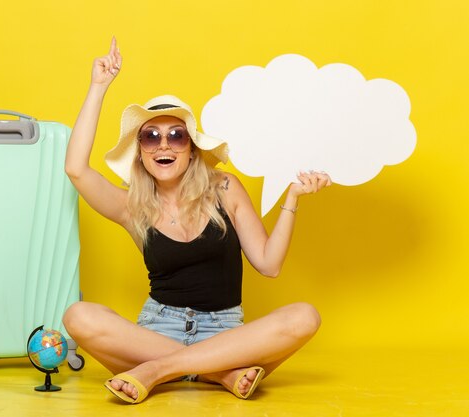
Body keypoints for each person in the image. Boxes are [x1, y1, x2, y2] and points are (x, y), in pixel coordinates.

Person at [63, 38, 332, 404]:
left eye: (176, 136)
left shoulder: (225, 188)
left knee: (304, 317)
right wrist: (98, 87)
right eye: (150, 136)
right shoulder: (132, 207)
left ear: (192, 151)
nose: (163, 145)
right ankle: (220, 373)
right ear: (140, 154)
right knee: (79, 316)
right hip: (156, 331)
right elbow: (76, 169)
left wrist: (292, 198)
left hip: (225, 334)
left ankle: (157, 371)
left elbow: (269, 265)